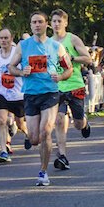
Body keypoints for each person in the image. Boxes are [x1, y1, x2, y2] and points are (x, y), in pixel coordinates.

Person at [14, 12, 70, 187]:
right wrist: (21, 72)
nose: (37, 25)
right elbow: (10, 67)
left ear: (46, 25)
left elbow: (68, 69)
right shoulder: (23, 46)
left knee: (46, 131)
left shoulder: (56, 46)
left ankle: (43, 172)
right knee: (33, 139)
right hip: (31, 94)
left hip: (50, 93)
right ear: (30, 26)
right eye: (34, 22)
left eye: (40, 22)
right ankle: (42, 151)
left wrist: (60, 78)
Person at [49, 9, 92, 170]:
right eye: (54, 21)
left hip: (75, 85)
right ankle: (62, 156)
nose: (56, 24)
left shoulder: (72, 39)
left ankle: (85, 123)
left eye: (59, 21)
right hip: (56, 87)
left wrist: (71, 58)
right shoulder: (48, 42)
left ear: (65, 23)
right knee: (59, 120)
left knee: (78, 124)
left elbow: (88, 58)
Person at [0, 28, 25, 160]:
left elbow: (26, 67)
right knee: (1, 120)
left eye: (6, 38)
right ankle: (3, 151)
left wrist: (21, 73)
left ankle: (28, 135)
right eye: (1, 38)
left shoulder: (17, 52)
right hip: (1, 92)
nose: (3, 40)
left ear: (11, 39)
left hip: (18, 94)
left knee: (20, 123)